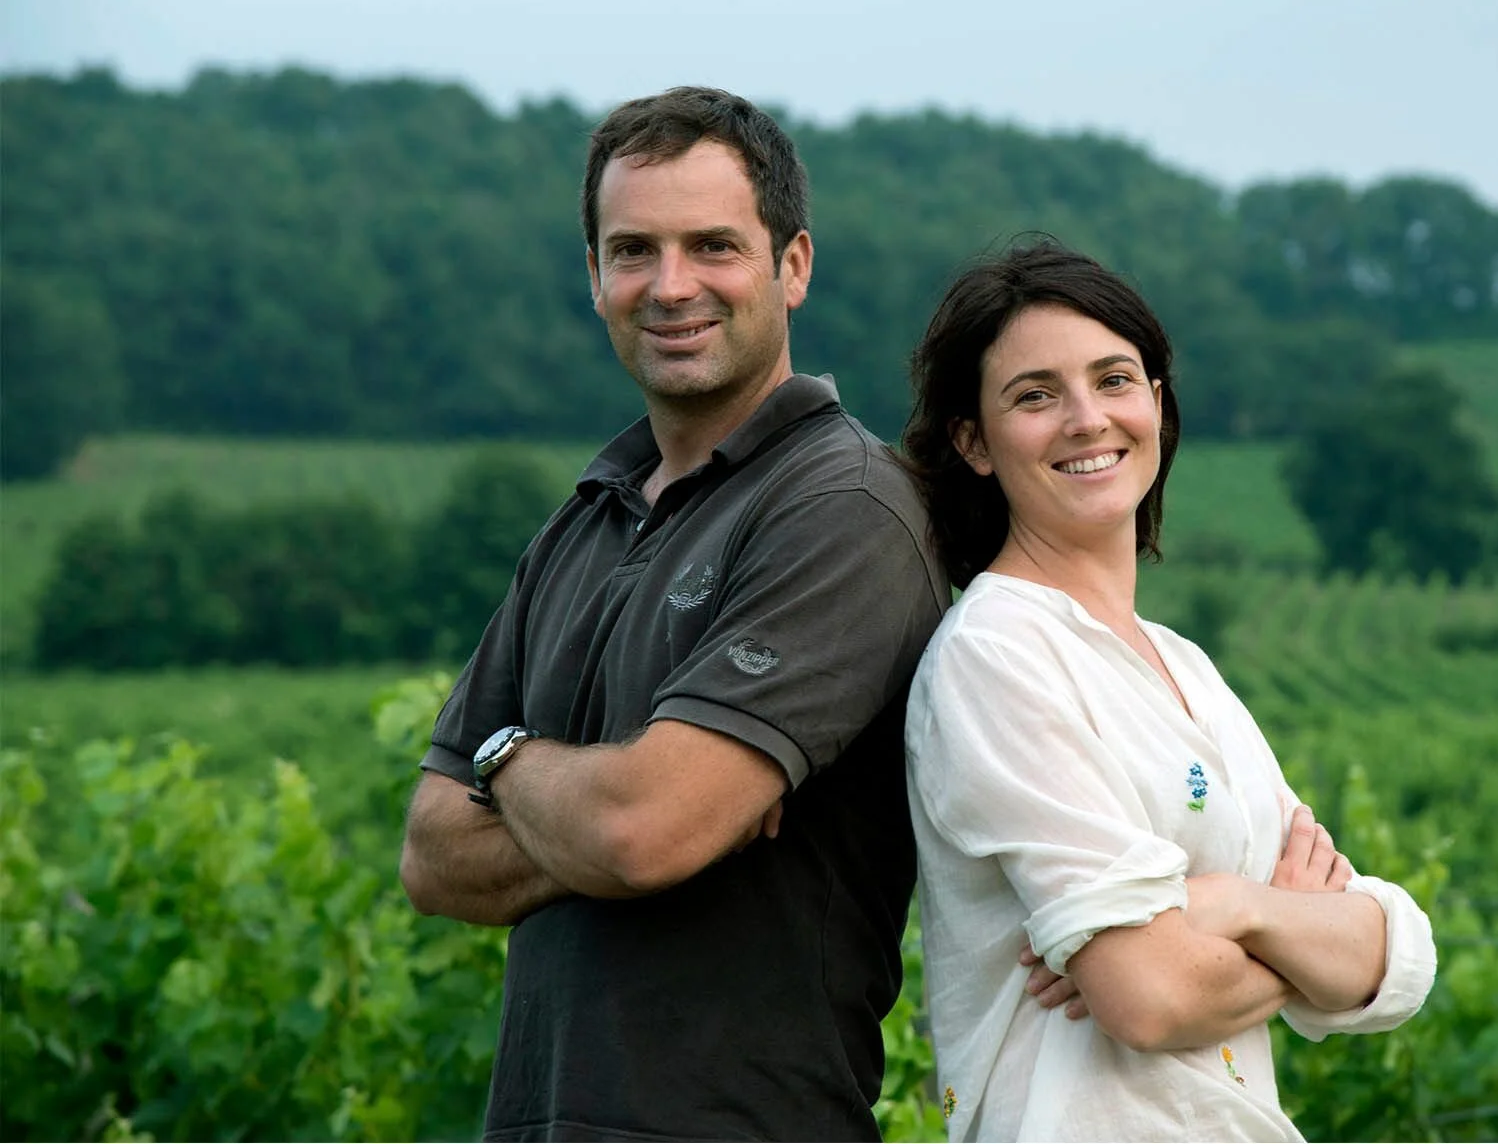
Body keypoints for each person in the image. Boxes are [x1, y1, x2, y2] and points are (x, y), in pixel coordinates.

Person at [398, 86, 949, 1142]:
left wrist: (511, 770)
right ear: (594, 277)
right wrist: (605, 794)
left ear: (793, 265)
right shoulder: (582, 522)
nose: (672, 286)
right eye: (634, 251)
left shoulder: (846, 507)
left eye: (713, 246)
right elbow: (431, 856)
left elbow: (645, 831)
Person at [899, 241, 1437, 1142]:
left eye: (1114, 380)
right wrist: (1292, 927)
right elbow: (1149, 997)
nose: (1086, 420)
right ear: (973, 442)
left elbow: (1390, 961)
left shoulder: (1185, 667)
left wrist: (1230, 907)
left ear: (1155, 401)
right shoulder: (997, 655)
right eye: (1035, 396)